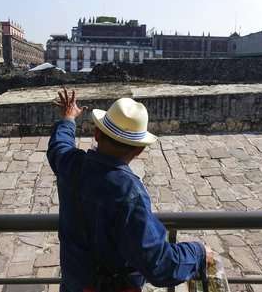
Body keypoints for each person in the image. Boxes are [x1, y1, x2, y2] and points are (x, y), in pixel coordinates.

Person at [47, 87, 213, 292]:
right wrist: (198, 253)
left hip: (74, 285)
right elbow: (159, 264)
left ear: (97, 134)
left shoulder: (71, 164)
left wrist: (68, 118)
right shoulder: (129, 194)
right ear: (140, 149)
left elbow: (59, 147)